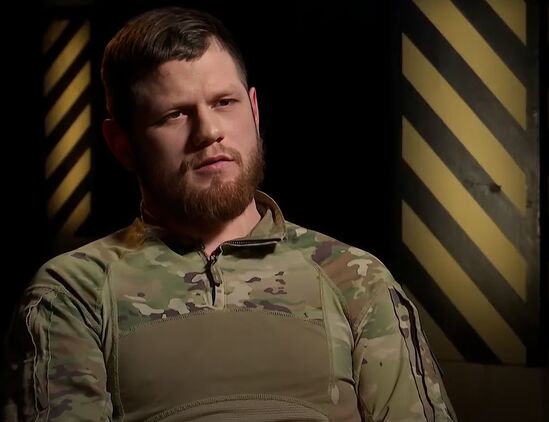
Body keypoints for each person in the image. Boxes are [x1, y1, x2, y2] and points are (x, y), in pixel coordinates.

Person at [2, 6, 456, 422]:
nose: (209, 131)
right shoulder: (73, 292)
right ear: (122, 144)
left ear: (254, 111)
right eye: (175, 114)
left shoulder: (353, 277)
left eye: (224, 102)